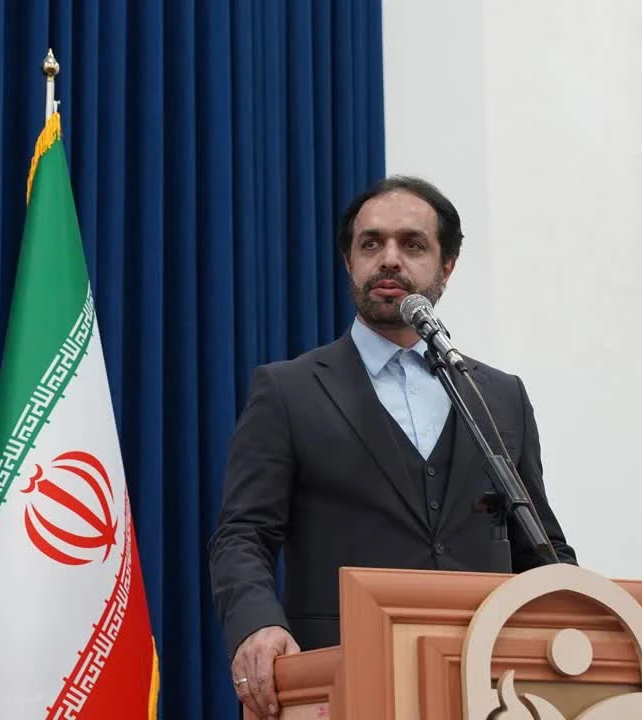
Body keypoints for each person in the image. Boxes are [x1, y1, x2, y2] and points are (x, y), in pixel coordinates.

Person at [207, 176, 578, 719]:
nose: (389, 259)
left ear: (446, 268)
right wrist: (257, 623)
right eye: (371, 244)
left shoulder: (500, 397)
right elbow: (243, 534)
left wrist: (581, 628)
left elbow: (540, 547)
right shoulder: (288, 390)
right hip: (343, 682)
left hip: (490, 688)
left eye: (413, 244)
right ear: (349, 261)